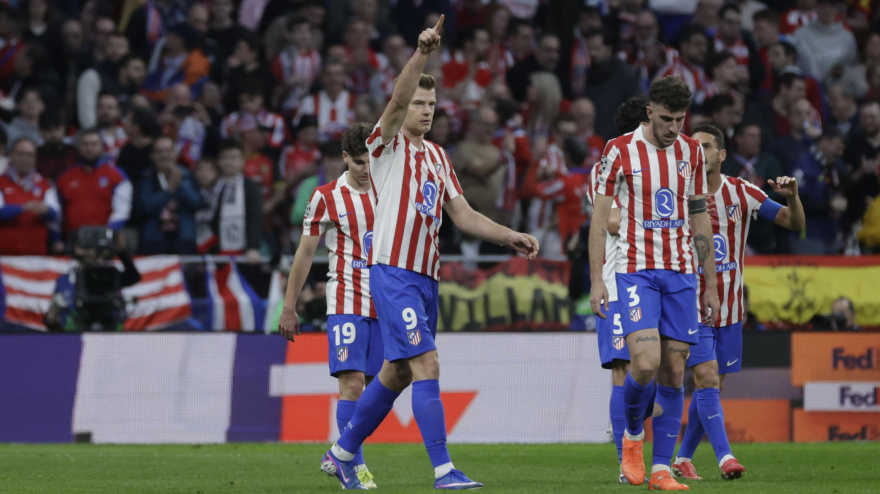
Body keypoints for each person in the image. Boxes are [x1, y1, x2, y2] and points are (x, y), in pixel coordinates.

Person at [318, 16, 538, 490]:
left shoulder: (438, 157)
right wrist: (421, 53)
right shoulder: (386, 145)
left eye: (431, 103)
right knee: (428, 364)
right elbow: (395, 100)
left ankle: (341, 452)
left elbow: (463, 215)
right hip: (393, 270)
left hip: (426, 276)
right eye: (419, 102)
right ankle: (444, 470)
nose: (425, 109)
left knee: (396, 372)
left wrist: (509, 236)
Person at [589, 76, 720, 491]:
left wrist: (710, 283)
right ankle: (632, 437)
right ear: (650, 112)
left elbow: (700, 217)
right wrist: (596, 279)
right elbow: (599, 219)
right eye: (666, 119)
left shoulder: (692, 153)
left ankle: (661, 469)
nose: (673, 128)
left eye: (680, 120)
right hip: (636, 270)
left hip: (681, 273)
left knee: (674, 371)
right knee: (643, 364)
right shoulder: (619, 151)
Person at [672, 124, 804, 481]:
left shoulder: (741, 191)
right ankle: (726, 458)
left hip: (730, 310)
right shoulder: (677, 192)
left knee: (712, 388)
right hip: (691, 305)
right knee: (707, 379)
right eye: (694, 147)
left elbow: (793, 222)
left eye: (707, 147)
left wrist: (792, 195)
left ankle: (683, 457)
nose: (700, 153)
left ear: (722, 154)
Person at [278, 123, 380, 489]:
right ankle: (351, 466)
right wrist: (290, 308)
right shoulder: (325, 196)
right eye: (358, 162)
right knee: (352, 384)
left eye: (370, 161)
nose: (366, 169)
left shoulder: (389, 190)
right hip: (346, 300)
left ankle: (343, 452)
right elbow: (305, 254)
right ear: (344, 159)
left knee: (375, 387)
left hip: (384, 302)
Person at [584, 94, 650, 483]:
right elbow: (610, 221)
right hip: (617, 281)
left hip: (652, 282)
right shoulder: (607, 166)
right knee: (624, 370)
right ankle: (625, 463)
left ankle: (645, 455)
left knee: (653, 370)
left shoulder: (654, 165)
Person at [132, 136, 202, 255]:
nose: (164, 155)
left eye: (168, 151)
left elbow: (197, 204)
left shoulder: (188, 176)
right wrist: (168, 192)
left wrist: (180, 184)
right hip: (153, 242)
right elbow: (143, 207)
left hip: (184, 241)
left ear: (175, 153)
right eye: (159, 151)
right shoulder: (145, 178)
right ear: (152, 156)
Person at [56, 129, 132, 238]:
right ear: (78, 147)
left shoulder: (117, 176)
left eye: (94, 144)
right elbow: (58, 212)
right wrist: (56, 239)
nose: (89, 148)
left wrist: (108, 235)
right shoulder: (64, 178)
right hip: (73, 240)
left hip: (105, 239)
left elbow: (122, 210)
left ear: (102, 147)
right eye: (85, 144)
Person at [0, 137, 61, 255]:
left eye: (29, 155)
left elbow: (56, 215)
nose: (25, 159)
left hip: (36, 256)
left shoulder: (45, 185)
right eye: (20, 154)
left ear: (34, 158)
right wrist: (22, 208)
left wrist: (46, 210)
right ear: (11, 156)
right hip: (4, 257)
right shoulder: (1, 182)